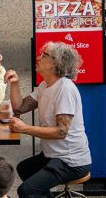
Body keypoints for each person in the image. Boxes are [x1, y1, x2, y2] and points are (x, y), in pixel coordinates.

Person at [6, 43, 93, 196]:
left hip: (70, 161)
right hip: (52, 155)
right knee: (24, 169)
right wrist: (15, 83)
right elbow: (20, 107)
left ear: (56, 63)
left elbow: (61, 132)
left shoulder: (64, 89)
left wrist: (24, 128)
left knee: (26, 190)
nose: (38, 57)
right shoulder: (45, 85)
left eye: (44, 55)